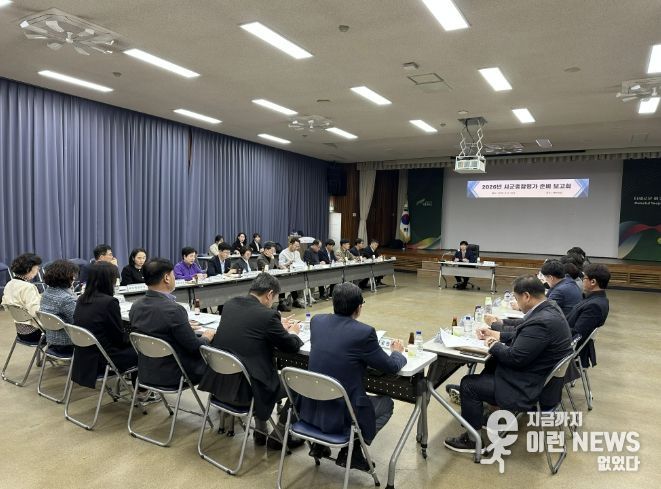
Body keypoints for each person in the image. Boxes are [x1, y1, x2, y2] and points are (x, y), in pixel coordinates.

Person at [444, 275, 572, 453]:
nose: (516, 303)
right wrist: (497, 334)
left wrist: (493, 344)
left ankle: (472, 441)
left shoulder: (542, 322)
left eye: (517, 299)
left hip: (528, 387)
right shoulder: (550, 308)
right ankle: (488, 413)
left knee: (469, 384)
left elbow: (515, 358)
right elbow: (525, 333)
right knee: (492, 363)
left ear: (526, 296)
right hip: (541, 377)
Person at [299, 283, 406, 469]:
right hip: (341, 415)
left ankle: (319, 445)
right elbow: (390, 367)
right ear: (358, 308)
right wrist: (397, 352)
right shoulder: (364, 333)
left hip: (310, 409)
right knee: (386, 404)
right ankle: (353, 453)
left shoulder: (317, 321)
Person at [198, 273, 304, 449]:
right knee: (299, 383)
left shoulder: (231, 304)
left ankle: (260, 429)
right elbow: (291, 346)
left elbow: (249, 329)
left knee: (254, 367)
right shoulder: (268, 316)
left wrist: (277, 326)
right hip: (246, 393)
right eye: (274, 298)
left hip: (219, 386)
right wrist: (293, 331)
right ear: (269, 294)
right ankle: (279, 434)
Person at [129, 258, 214, 386]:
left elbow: (158, 328)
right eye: (173, 274)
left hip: (147, 372)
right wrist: (207, 337)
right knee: (222, 361)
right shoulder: (174, 310)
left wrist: (183, 326)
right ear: (167, 278)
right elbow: (195, 348)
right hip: (176, 373)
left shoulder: (136, 306)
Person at [72, 262, 137, 389]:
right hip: (104, 358)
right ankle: (141, 390)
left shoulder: (82, 299)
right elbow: (118, 337)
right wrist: (134, 337)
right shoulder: (109, 302)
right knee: (142, 349)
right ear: (108, 280)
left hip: (84, 355)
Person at [566, 263, 610, 367]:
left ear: (593, 282)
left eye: (584, 278)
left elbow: (577, 334)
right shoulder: (596, 299)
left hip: (570, 348)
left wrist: (554, 329)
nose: (582, 281)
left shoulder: (594, 306)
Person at [38, 260, 79, 355]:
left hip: (52, 340)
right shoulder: (65, 299)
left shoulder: (47, 292)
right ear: (65, 277)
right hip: (67, 344)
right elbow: (78, 321)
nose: (74, 278)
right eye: (72, 275)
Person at [1, 253, 43, 342]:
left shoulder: (9, 284)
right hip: (34, 333)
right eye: (36, 267)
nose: (38, 269)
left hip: (21, 332)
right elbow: (36, 312)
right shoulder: (28, 287)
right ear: (28, 269)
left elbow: (6, 307)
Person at [278, 237, 306, 308]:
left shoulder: (297, 253)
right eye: (296, 246)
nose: (297, 248)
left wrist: (304, 265)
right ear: (290, 244)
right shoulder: (283, 253)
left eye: (298, 246)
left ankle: (295, 300)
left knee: (295, 284)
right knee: (285, 285)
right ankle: (282, 302)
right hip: (285, 275)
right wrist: (287, 264)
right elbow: (280, 265)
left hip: (294, 273)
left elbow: (300, 262)